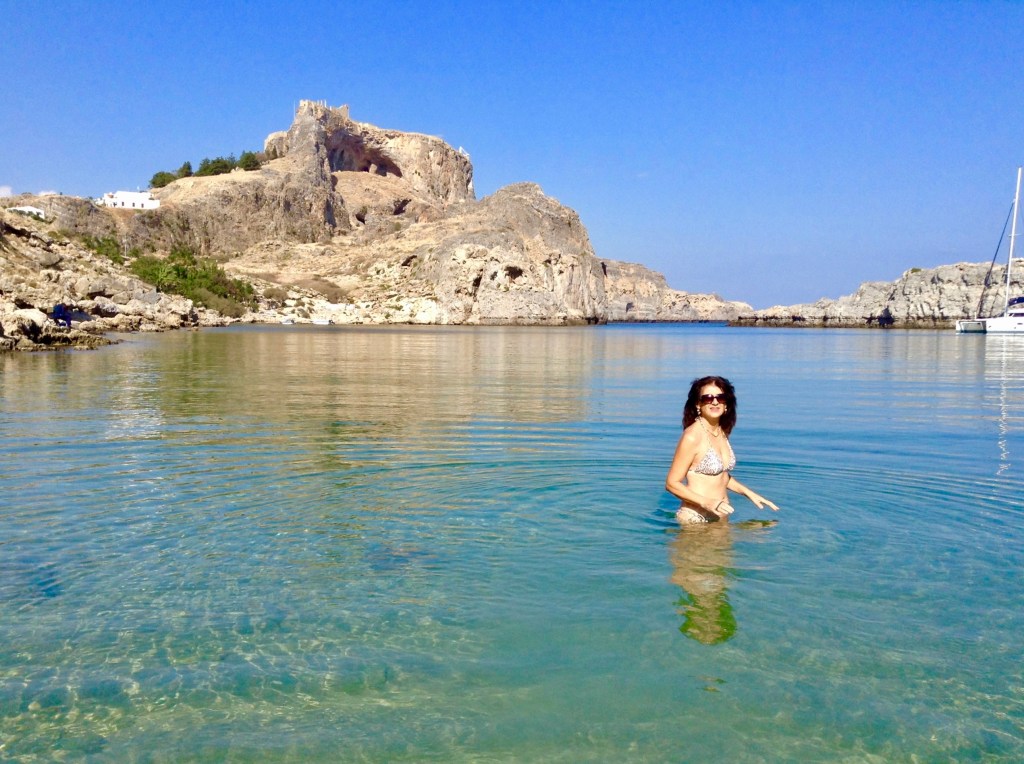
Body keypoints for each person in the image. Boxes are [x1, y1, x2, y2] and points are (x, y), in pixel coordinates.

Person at [666, 375, 778, 523]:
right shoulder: (692, 436)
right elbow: (672, 483)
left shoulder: (721, 432)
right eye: (708, 398)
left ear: (726, 404)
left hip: (721, 514)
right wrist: (707, 502)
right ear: (698, 404)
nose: (715, 402)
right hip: (695, 518)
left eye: (720, 397)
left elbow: (720, 476)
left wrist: (749, 493)